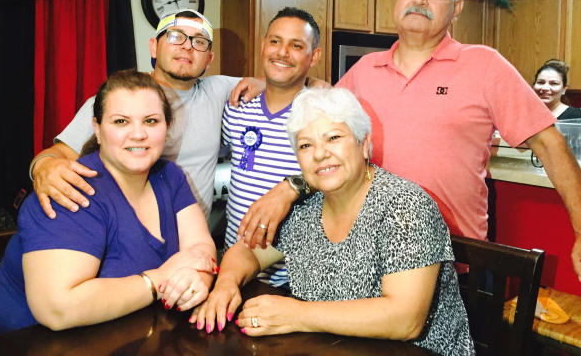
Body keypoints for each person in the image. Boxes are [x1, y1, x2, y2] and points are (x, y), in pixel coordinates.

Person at [239, 0, 581, 282]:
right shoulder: (364, 72)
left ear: (457, 8)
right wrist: (269, 84)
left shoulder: (484, 66)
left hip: (455, 264)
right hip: (372, 259)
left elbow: (550, 145)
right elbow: (322, 132)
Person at [192, 88, 475, 356]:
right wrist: (227, 282)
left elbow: (405, 319)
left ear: (364, 145)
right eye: (306, 145)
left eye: (334, 138)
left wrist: (295, 314)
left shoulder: (405, 206)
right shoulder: (304, 207)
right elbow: (248, 251)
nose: (319, 153)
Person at [0, 70, 217, 344]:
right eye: (121, 121)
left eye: (151, 121)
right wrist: (159, 279)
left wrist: (199, 277)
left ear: (166, 127)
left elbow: (200, 249)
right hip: (10, 346)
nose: (138, 133)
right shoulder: (71, 188)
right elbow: (57, 309)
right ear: (97, 128)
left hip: (116, 338)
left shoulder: (170, 176)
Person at [30, 9, 263, 219]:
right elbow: (56, 154)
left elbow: (285, 85)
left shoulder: (218, 90)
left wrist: (261, 83)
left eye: (199, 41)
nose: (187, 46)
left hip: (195, 246)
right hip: (132, 243)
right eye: (175, 36)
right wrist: (43, 167)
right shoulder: (120, 98)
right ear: (154, 46)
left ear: (209, 60)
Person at [222, 7, 322, 287]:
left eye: (297, 45)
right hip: (235, 274)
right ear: (263, 45)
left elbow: (340, 178)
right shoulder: (237, 107)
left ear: (314, 56)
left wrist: (289, 189)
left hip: (295, 281)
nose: (282, 52)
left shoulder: (322, 115)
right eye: (275, 41)